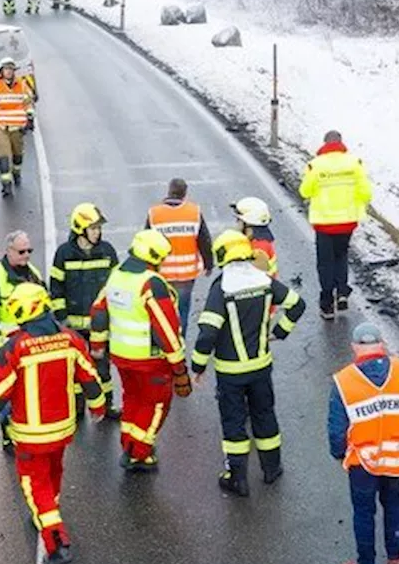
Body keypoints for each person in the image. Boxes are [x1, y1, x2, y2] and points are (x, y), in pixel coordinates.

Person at [0, 283, 105, 564]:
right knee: (53, 471)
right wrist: (97, 405)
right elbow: (88, 377)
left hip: (30, 434)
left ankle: (56, 540)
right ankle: (48, 509)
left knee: (34, 484)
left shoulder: (15, 347)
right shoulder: (70, 339)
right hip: (62, 429)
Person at [191, 230, 305, 497]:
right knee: (264, 416)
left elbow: (208, 332)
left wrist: (197, 366)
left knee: (234, 423)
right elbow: (297, 305)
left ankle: (237, 478)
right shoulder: (264, 280)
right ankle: (271, 469)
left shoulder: (222, 287)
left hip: (230, 372)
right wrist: (279, 332)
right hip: (261, 366)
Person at [328, 321, 399, 564]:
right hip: (395, 457)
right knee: (393, 504)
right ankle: (395, 558)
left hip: (362, 461)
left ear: (354, 348)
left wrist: (340, 455)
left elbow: (337, 431)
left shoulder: (344, 381)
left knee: (363, 512)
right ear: (382, 345)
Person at [89, 230, 192, 472]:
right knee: (157, 403)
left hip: (122, 357)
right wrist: (179, 367)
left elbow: (98, 310)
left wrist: (97, 346)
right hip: (150, 359)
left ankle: (129, 444)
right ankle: (139, 453)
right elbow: (166, 328)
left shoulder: (117, 276)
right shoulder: (151, 282)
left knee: (133, 399)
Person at [49, 202, 121, 418]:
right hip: (74, 327)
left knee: (103, 369)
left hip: (100, 325)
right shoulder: (64, 254)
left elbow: (117, 287)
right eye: (93, 228)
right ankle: (78, 409)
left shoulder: (107, 252)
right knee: (75, 370)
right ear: (80, 229)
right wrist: (62, 319)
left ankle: (107, 406)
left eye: (99, 228)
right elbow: (56, 288)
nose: (97, 232)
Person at [0, 230, 45, 452]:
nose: (26, 255)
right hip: (6, 349)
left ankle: (24, 430)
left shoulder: (32, 273)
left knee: (27, 392)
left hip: (29, 347)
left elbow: (45, 307)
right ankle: (9, 435)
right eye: (21, 251)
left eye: (29, 251)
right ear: (8, 251)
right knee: (8, 393)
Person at [298, 130, 373, 321]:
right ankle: (341, 291)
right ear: (341, 143)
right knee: (341, 256)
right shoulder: (354, 163)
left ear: (324, 143)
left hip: (324, 222)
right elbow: (365, 194)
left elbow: (305, 191)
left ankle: (327, 303)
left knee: (325, 262)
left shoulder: (315, 165)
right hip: (347, 222)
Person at [146, 178, 214, 333]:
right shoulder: (193, 212)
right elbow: (204, 240)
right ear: (185, 194)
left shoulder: (155, 214)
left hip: (162, 273)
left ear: (169, 191)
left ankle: (164, 340)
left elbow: (146, 241)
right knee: (182, 309)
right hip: (186, 275)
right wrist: (208, 264)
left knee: (162, 309)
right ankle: (180, 340)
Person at [0, 57, 34, 197]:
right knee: (4, 156)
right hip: (2, 127)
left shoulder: (22, 85)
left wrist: (30, 118)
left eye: (11, 69)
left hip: (17, 128)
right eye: (6, 69)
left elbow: (28, 103)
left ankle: (17, 174)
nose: (8, 72)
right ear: (1, 71)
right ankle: (6, 185)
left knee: (18, 154)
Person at [230, 196, 278, 277]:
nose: (237, 223)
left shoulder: (259, 248)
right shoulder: (252, 240)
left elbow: (253, 277)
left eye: (239, 220)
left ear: (248, 223)